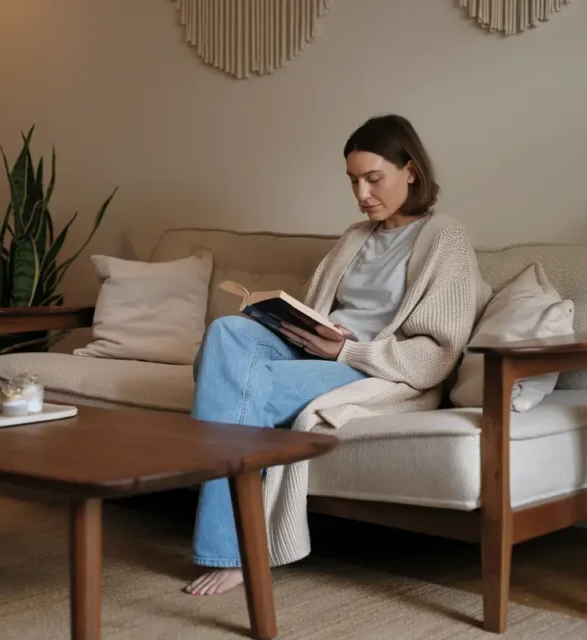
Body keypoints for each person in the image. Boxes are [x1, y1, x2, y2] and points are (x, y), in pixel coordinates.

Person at [184, 114, 489, 596]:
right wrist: (293, 322)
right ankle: (230, 511)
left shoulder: (444, 238)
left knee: (242, 385)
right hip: (317, 351)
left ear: (410, 170)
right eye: (353, 181)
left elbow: (436, 355)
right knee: (226, 331)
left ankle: (233, 550)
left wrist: (348, 348)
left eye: (374, 178)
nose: (362, 194)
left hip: (368, 370)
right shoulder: (355, 237)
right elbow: (320, 308)